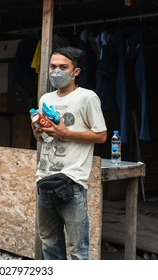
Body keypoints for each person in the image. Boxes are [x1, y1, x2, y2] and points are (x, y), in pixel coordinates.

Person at [31, 46, 107, 260]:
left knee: (77, 250)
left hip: (72, 181)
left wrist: (66, 132)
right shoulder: (45, 99)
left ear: (76, 72)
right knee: (49, 243)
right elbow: (45, 139)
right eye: (53, 66)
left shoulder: (87, 97)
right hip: (44, 179)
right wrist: (38, 132)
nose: (56, 72)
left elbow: (101, 135)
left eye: (63, 67)